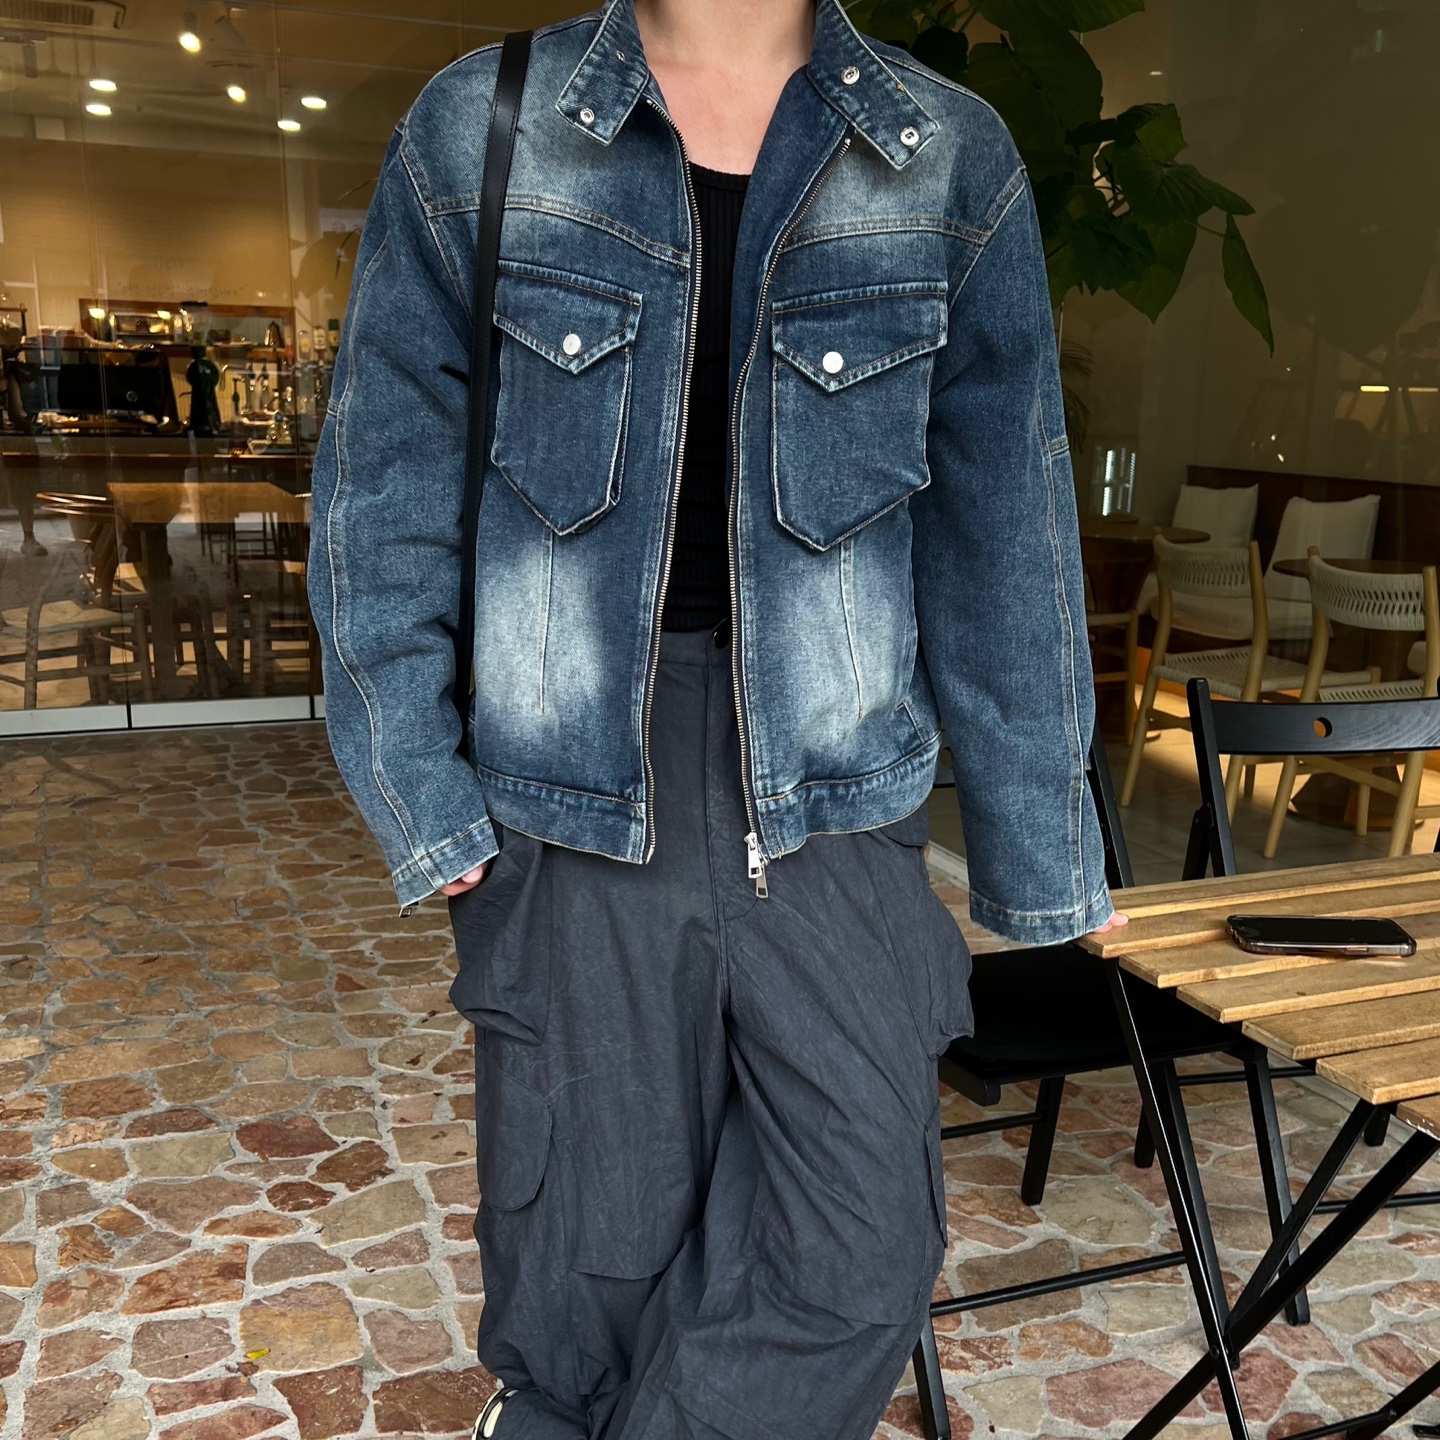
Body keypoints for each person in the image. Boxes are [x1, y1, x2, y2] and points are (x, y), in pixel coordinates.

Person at [308, 0, 1127, 1435]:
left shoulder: (945, 154)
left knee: (861, 1247)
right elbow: (382, 481)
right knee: (594, 1266)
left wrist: (1040, 840)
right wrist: (417, 785)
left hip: (838, 792)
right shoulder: (485, 125)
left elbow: (1007, 522)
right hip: (575, 790)